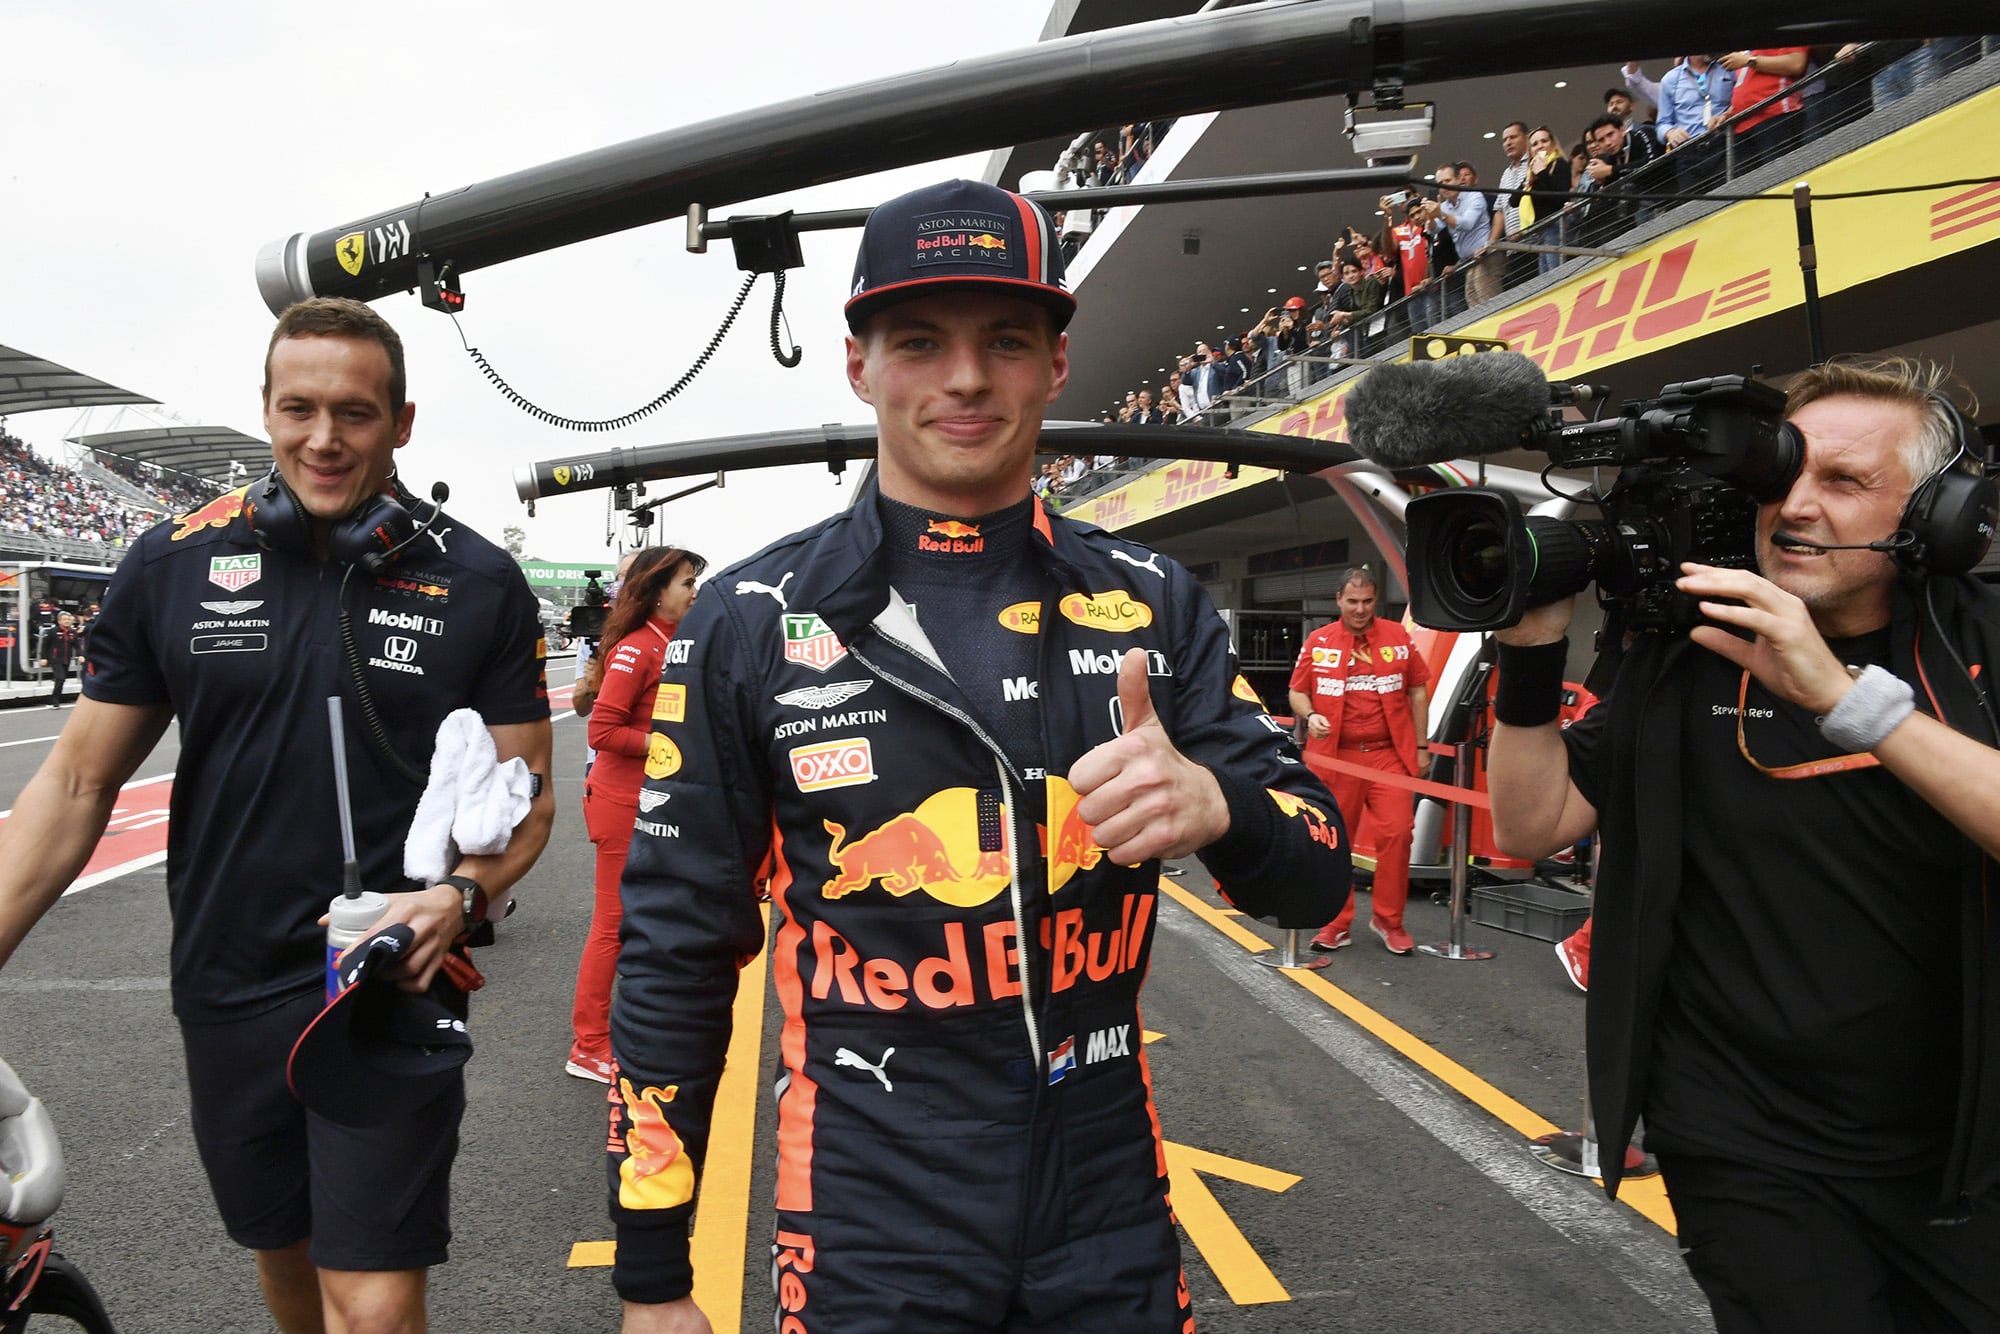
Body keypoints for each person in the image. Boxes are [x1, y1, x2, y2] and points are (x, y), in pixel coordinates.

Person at [606, 178, 1348, 1333]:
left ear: (1055, 364)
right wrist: (652, 1271)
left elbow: (1317, 870)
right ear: (857, 365)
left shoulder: (1152, 598)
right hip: (865, 1200)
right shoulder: (749, 616)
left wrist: (1221, 806)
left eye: (1004, 340)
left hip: (1104, 1189)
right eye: (919, 341)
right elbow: (672, 946)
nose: (963, 378)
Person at [0, 297, 555, 1334]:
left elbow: (527, 798)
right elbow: (74, 785)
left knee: (373, 1301)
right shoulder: (170, 564)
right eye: (299, 409)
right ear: (266, 409)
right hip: (225, 977)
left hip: (386, 980)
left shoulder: (479, 580)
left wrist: (460, 895)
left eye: (355, 412)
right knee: (288, 1254)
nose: (323, 438)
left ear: (402, 422)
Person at [1488, 356, 2000, 1330]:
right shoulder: (1689, 647)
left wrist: (1845, 699)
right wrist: (1529, 654)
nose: (1796, 505)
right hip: (1744, 1142)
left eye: (1844, 481)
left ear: (1937, 512)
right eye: (1782, 475)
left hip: (1966, 1150)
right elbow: (1530, 824)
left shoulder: (1980, 641)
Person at [567, 545, 706, 1084]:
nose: (694, 592)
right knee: (612, 925)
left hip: (658, 802)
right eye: (686, 583)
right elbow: (602, 731)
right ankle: (588, 1045)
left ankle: (635, 1024)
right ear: (656, 591)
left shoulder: (674, 641)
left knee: (652, 918)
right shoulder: (635, 648)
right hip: (622, 803)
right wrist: (669, 743)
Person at [1288, 568, 1432, 954]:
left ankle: (1389, 921)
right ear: (1338, 600)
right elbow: (1297, 691)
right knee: (1334, 840)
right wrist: (1310, 715)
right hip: (1335, 758)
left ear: (1376, 600)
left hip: (1389, 756)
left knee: (1398, 834)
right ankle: (1336, 923)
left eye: (1367, 601)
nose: (1360, 609)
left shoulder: (1398, 636)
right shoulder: (1319, 641)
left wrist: (1421, 746)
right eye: (1352, 601)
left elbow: (1418, 691)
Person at [37, 610, 79, 708]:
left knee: (61, 680)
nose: (67, 621)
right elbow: (45, 645)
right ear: (59, 621)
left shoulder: (72, 633)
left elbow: (77, 646)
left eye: (68, 619)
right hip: (55, 659)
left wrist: (80, 655)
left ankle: (53, 699)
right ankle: (54, 701)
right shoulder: (53, 631)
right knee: (60, 678)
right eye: (64, 619)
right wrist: (43, 657)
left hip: (66, 659)